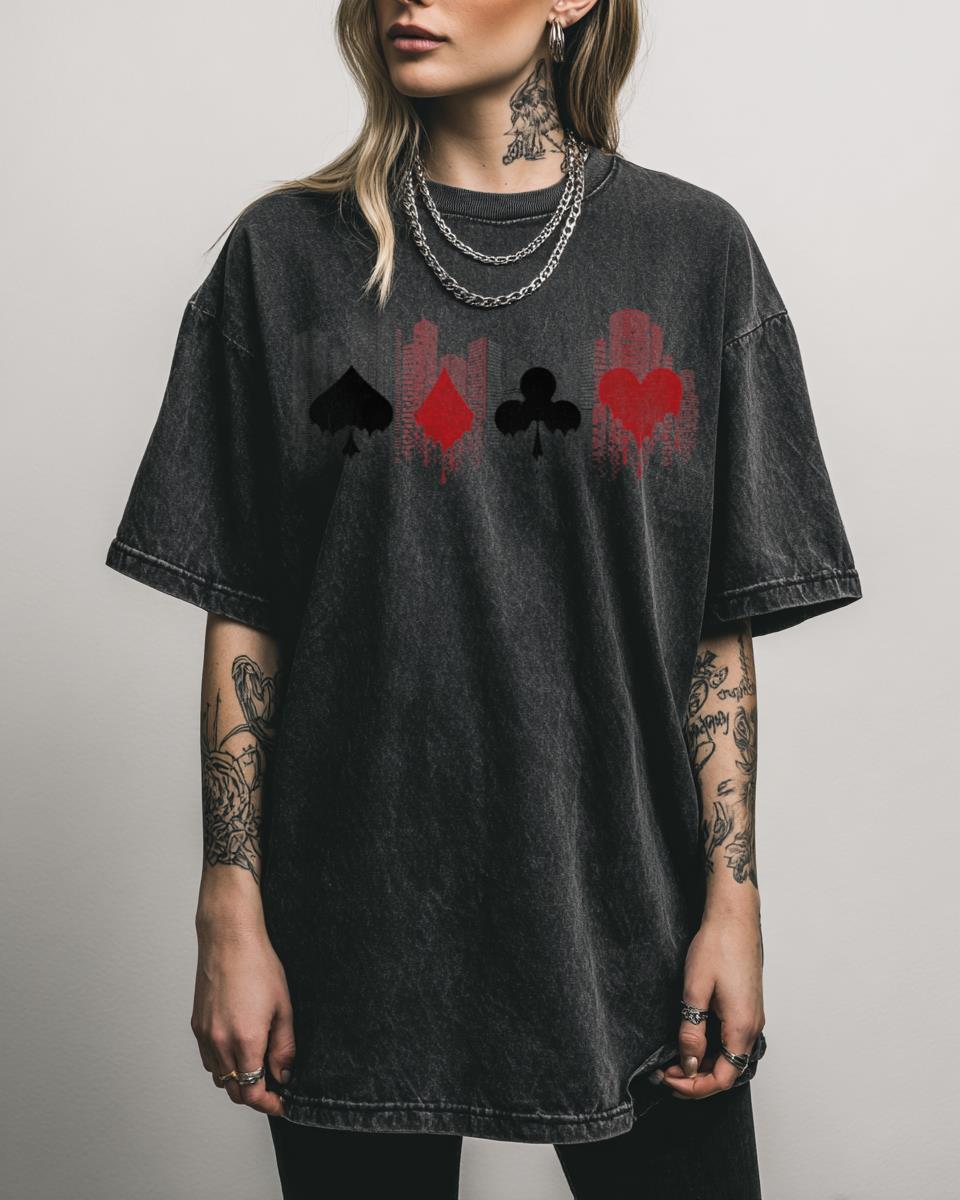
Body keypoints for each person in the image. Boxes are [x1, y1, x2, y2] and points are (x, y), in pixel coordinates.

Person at [104, 0, 863, 1196]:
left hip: (631, 919)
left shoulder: (694, 254)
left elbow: (714, 631)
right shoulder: (284, 256)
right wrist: (229, 904)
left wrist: (735, 901)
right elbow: (245, 608)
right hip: (352, 926)